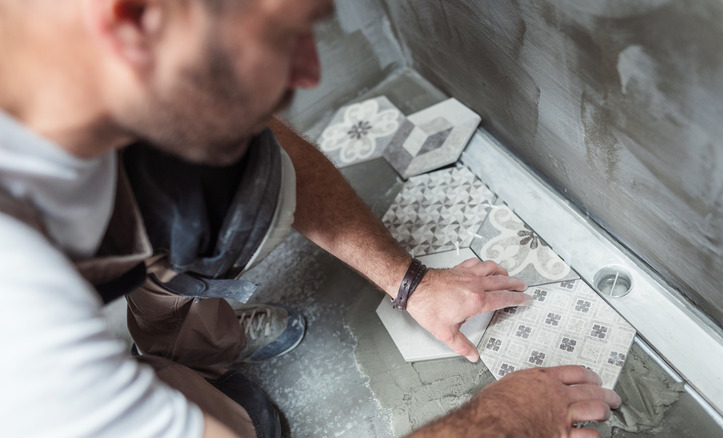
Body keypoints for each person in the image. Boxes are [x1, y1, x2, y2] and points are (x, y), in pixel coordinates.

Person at [0, 0, 620, 437]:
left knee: (228, 168)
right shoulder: (22, 321)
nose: (308, 74)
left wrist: (412, 282)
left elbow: (253, 128)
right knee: (241, 427)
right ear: (134, 17)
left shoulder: (87, 61)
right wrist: (507, 421)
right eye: (283, 35)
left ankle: (179, 345)